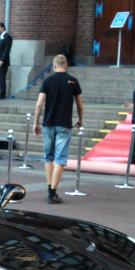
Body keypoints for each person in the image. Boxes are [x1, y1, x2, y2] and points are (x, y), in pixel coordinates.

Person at [32, 54, 83, 204]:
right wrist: (80, 119)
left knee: (48, 157)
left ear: (54, 66)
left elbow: (39, 104)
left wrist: (36, 122)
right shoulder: (73, 81)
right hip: (64, 124)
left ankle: (49, 188)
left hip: (48, 124)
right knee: (60, 159)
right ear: (66, 65)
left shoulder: (48, 80)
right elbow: (80, 104)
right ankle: (53, 192)